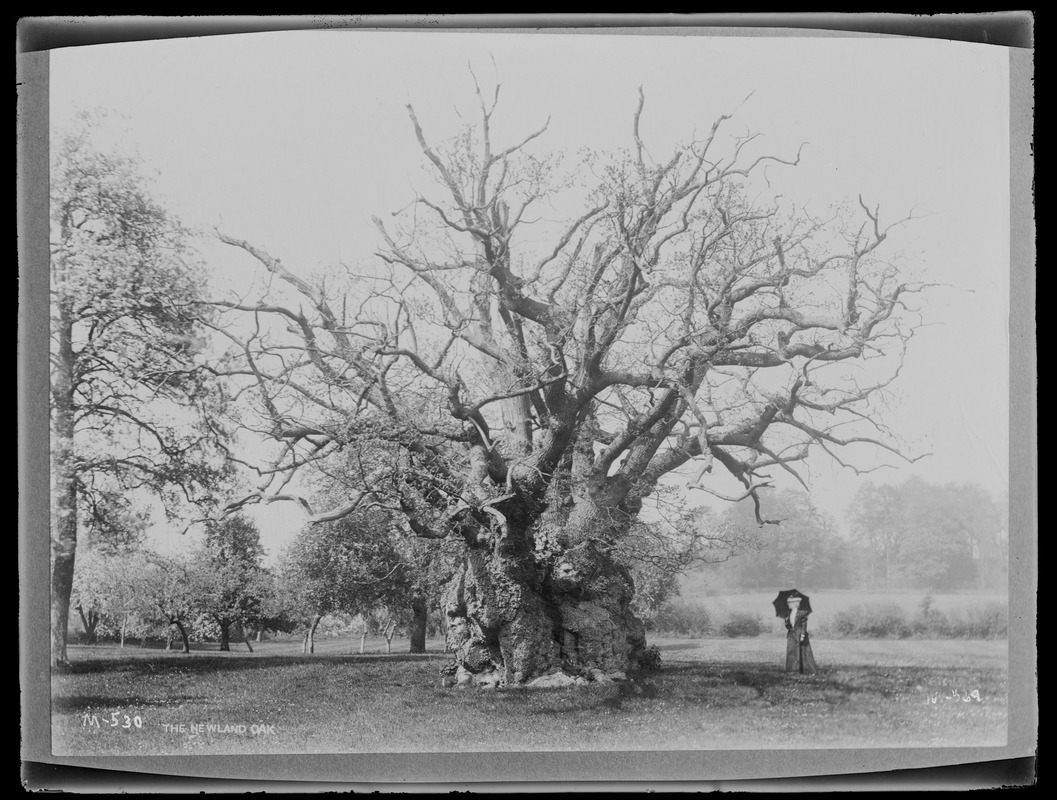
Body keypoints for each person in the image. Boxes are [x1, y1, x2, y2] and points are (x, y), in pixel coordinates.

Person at [785, 595, 818, 674]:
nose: (788, 604)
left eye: (789, 603)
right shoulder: (789, 613)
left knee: (804, 652)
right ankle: (792, 670)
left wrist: (803, 635)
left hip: (799, 634)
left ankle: (808, 670)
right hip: (791, 635)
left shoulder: (802, 613)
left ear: (794, 604)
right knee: (791, 652)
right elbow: (789, 626)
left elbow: (804, 625)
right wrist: (786, 622)